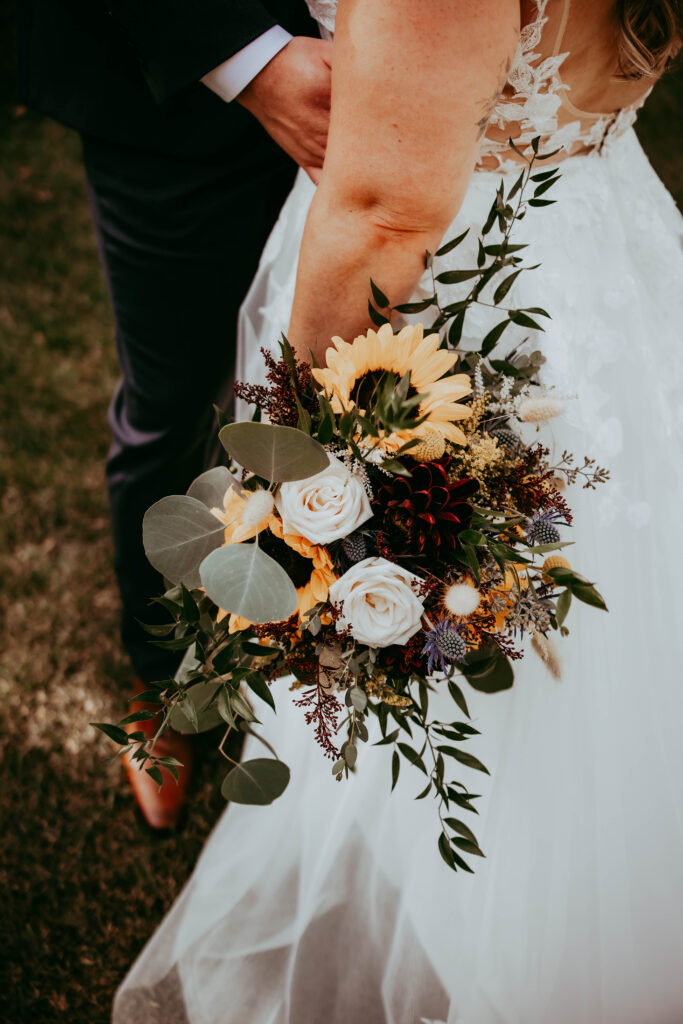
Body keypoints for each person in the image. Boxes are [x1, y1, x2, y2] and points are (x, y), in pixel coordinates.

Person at [113, 0, 683, 1021]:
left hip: (457, 304)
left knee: (466, 693)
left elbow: (384, 217)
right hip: (609, 256)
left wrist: (295, 480)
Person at [16, 0, 333, 829]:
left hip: (431, 100)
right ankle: (160, 677)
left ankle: (331, 661)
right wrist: (248, 58)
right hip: (181, 95)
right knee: (176, 403)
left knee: (366, 406)